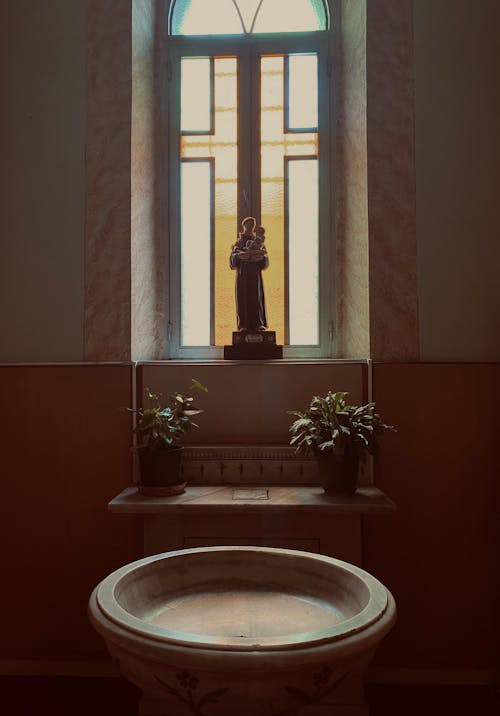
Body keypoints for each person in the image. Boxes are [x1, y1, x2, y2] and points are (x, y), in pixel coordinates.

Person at [229, 217, 269, 331]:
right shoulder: (238, 242)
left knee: (256, 298)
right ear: (244, 226)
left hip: (255, 276)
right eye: (248, 225)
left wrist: (260, 258)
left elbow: (265, 259)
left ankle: (258, 323)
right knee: (243, 299)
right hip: (243, 276)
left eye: (252, 225)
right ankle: (243, 324)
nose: (250, 227)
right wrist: (238, 256)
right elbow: (232, 259)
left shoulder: (259, 241)